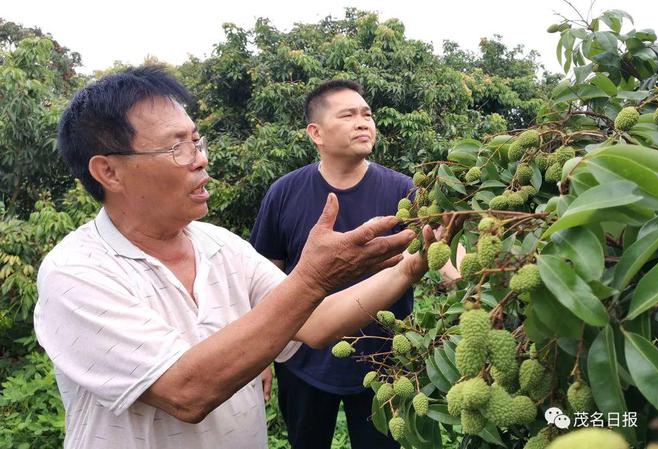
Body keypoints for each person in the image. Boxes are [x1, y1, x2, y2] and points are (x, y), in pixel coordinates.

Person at [33, 66, 438, 449]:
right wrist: (314, 279)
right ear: (109, 172)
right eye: (177, 146)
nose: (200, 157)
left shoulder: (221, 246)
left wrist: (409, 266)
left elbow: (315, 322)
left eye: (196, 141)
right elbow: (187, 390)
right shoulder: (76, 271)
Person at [250, 80, 459, 449]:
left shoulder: (403, 190)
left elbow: (439, 250)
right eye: (348, 115)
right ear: (315, 132)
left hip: (385, 362)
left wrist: (471, 281)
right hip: (302, 360)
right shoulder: (284, 192)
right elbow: (263, 278)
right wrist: (259, 356)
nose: (363, 123)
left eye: (368, 115)